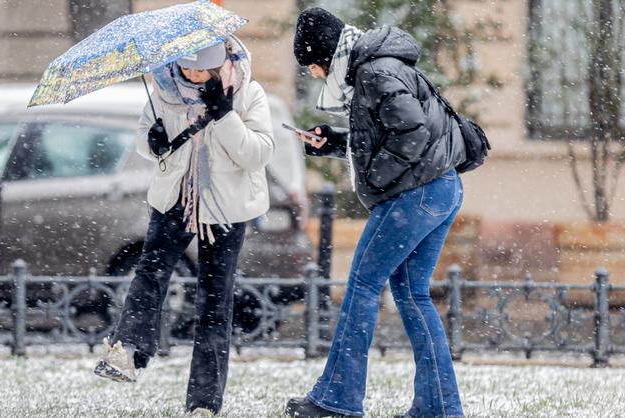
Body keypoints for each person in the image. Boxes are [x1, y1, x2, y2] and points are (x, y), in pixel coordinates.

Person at [285, 8, 467, 418]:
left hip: (416, 195)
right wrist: (332, 142)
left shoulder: (373, 71)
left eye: (313, 66)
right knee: (412, 294)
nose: (314, 75)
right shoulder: (378, 65)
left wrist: (376, 176)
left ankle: (338, 400)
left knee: (363, 286)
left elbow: (411, 131)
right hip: (441, 188)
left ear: (326, 57)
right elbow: (388, 130)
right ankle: (438, 406)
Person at [93, 38, 274, 416]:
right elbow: (146, 138)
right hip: (175, 198)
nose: (190, 76)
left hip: (226, 206)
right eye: (185, 68)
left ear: (219, 64)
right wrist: (154, 143)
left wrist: (224, 116)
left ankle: (204, 401)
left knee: (215, 299)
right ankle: (127, 351)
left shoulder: (247, 92)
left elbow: (256, 154)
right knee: (150, 274)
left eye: (199, 69)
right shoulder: (163, 90)